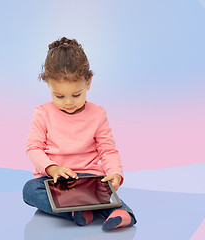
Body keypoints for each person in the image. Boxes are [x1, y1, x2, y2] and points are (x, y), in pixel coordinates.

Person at [22, 37, 137, 231]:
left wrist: (115, 173)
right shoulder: (42, 112)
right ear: (49, 85)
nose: (68, 102)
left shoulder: (98, 114)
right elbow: (34, 148)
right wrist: (52, 168)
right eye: (59, 96)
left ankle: (122, 213)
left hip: (89, 178)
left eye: (76, 95)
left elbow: (107, 150)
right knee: (30, 190)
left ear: (88, 83)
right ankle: (78, 211)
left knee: (104, 191)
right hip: (54, 180)